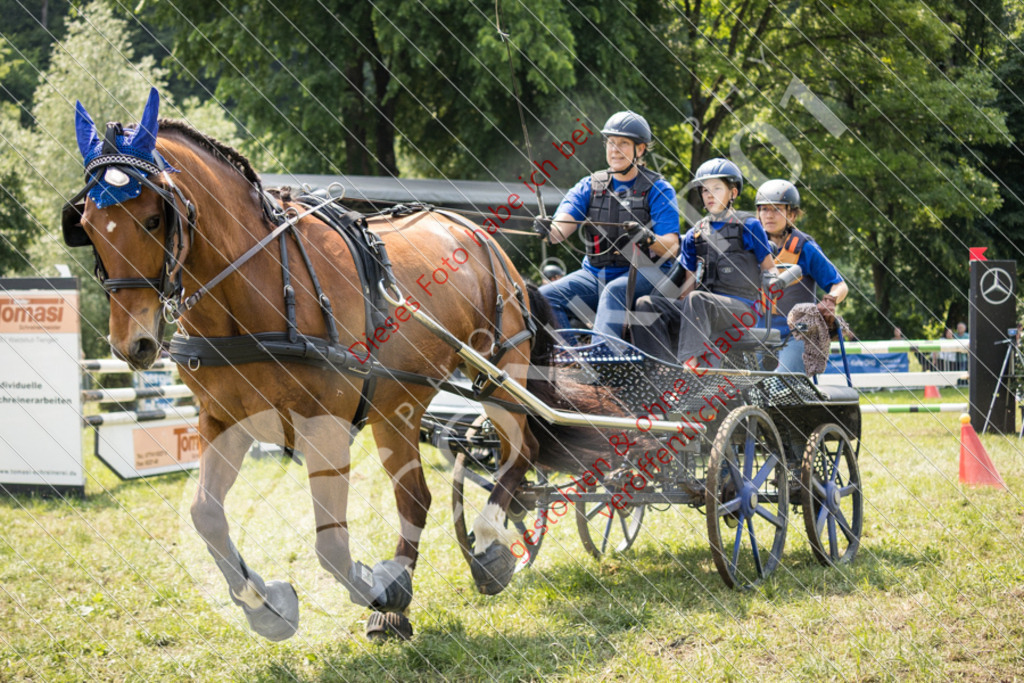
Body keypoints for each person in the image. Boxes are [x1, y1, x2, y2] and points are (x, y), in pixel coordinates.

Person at [536, 111, 681, 340]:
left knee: (614, 291)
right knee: (543, 297)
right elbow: (558, 232)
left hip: (648, 274)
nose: (614, 149)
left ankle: (602, 362)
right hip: (594, 274)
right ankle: (574, 363)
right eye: (611, 143)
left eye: (623, 143)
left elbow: (672, 248)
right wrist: (547, 229)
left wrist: (646, 238)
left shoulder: (659, 188)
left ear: (640, 149)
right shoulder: (589, 186)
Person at [631, 158, 776, 363]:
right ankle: (660, 370)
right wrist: (675, 309)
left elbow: (770, 268)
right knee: (645, 304)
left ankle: (692, 364)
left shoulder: (749, 226)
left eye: (717, 189)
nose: (709, 195)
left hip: (742, 309)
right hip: (700, 308)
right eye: (705, 190)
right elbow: (689, 286)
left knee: (698, 300)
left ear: (732, 193)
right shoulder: (695, 234)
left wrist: (774, 280)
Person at [754, 179, 848, 373]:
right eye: (764, 209)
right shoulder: (750, 246)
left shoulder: (805, 248)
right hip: (756, 332)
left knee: (780, 383)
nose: (769, 215)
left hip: (796, 334)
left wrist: (830, 300)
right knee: (745, 386)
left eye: (776, 209)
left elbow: (840, 285)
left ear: (792, 214)